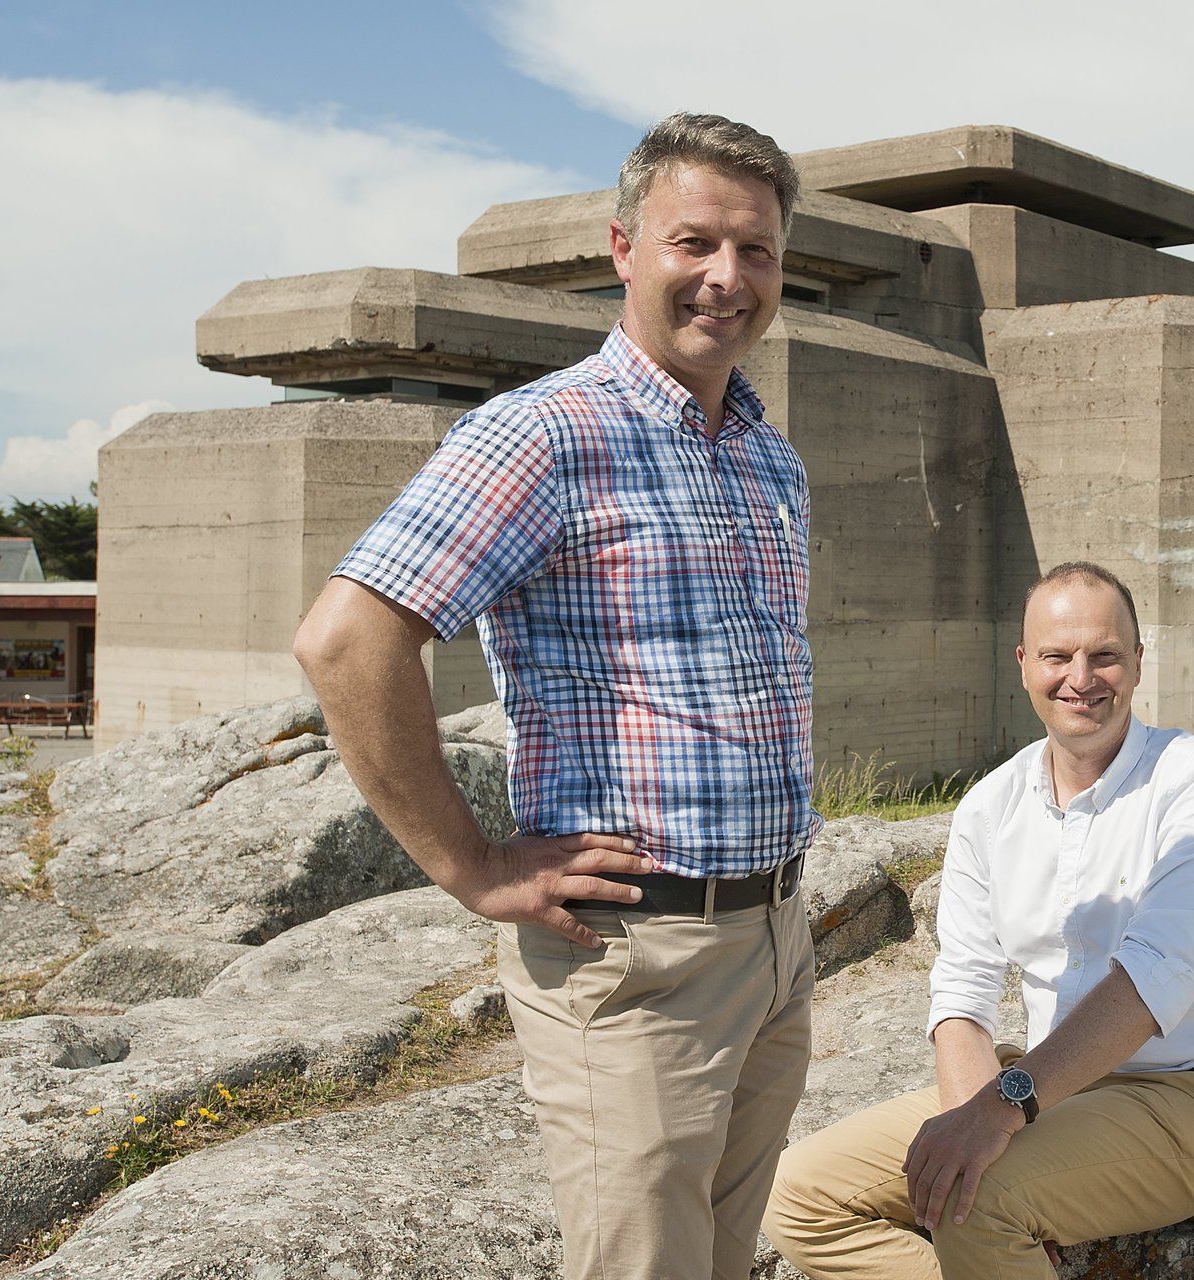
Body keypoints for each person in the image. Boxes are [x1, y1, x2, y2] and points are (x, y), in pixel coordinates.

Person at [292, 112, 815, 1280]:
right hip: (637, 957)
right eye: (695, 243)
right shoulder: (545, 434)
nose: (728, 278)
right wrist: (471, 864)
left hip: (775, 938)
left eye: (758, 251)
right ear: (623, 248)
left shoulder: (764, 452)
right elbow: (347, 639)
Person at [764, 562, 1194, 1279]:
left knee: (981, 1194)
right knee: (798, 1195)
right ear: (1024, 663)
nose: (1082, 678)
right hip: (1040, 1091)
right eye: (1058, 656)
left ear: (1138, 663)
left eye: (1106, 655)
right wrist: (980, 1118)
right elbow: (963, 993)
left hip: (1185, 1097)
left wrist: (1001, 1116)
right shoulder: (990, 806)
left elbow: (1158, 978)